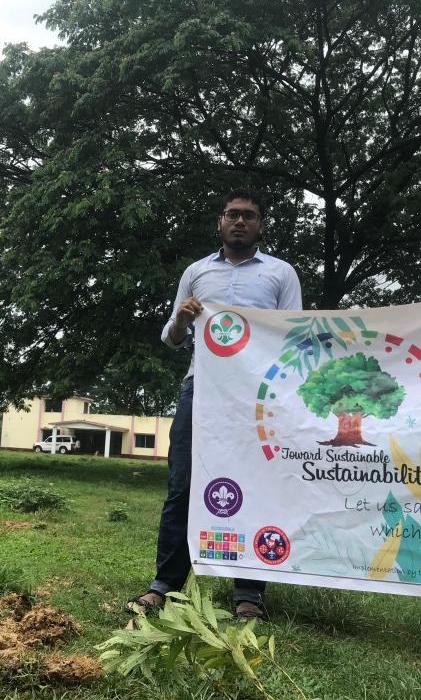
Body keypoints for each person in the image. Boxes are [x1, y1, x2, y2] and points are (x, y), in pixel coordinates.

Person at [127, 188, 302, 622]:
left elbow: (295, 336)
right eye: (232, 214)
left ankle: (248, 593)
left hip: (256, 398)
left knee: (254, 486)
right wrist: (183, 320)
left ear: (261, 225)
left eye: (249, 216)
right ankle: (163, 585)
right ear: (220, 222)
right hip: (200, 389)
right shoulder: (196, 272)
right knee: (182, 485)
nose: (240, 222)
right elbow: (170, 338)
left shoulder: (281, 274)